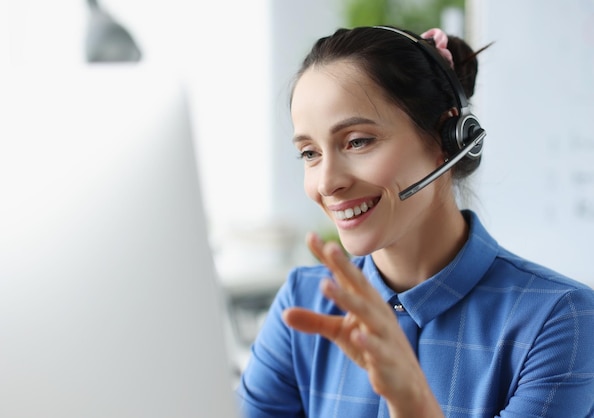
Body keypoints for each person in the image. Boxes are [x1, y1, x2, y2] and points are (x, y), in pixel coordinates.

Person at [237, 25, 594, 418]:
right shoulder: (303, 304)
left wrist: (411, 401)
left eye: (357, 141)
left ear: (448, 138)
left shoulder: (561, 320)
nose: (327, 182)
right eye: (309, 153)